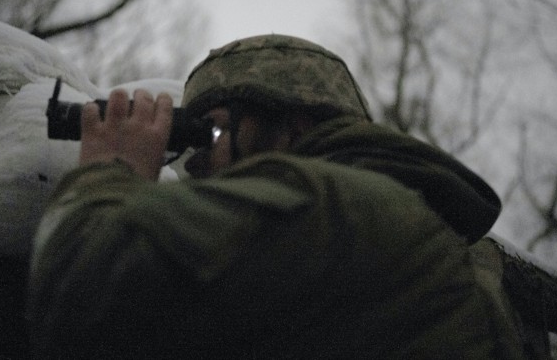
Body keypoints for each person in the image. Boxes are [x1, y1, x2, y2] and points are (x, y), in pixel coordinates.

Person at [26, 34, 527, 358]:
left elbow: (80, 278)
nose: (200, 168)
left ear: (296, 124)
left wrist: (111, 168)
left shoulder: (333, 205)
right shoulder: (404, 237)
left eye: (215, 134)